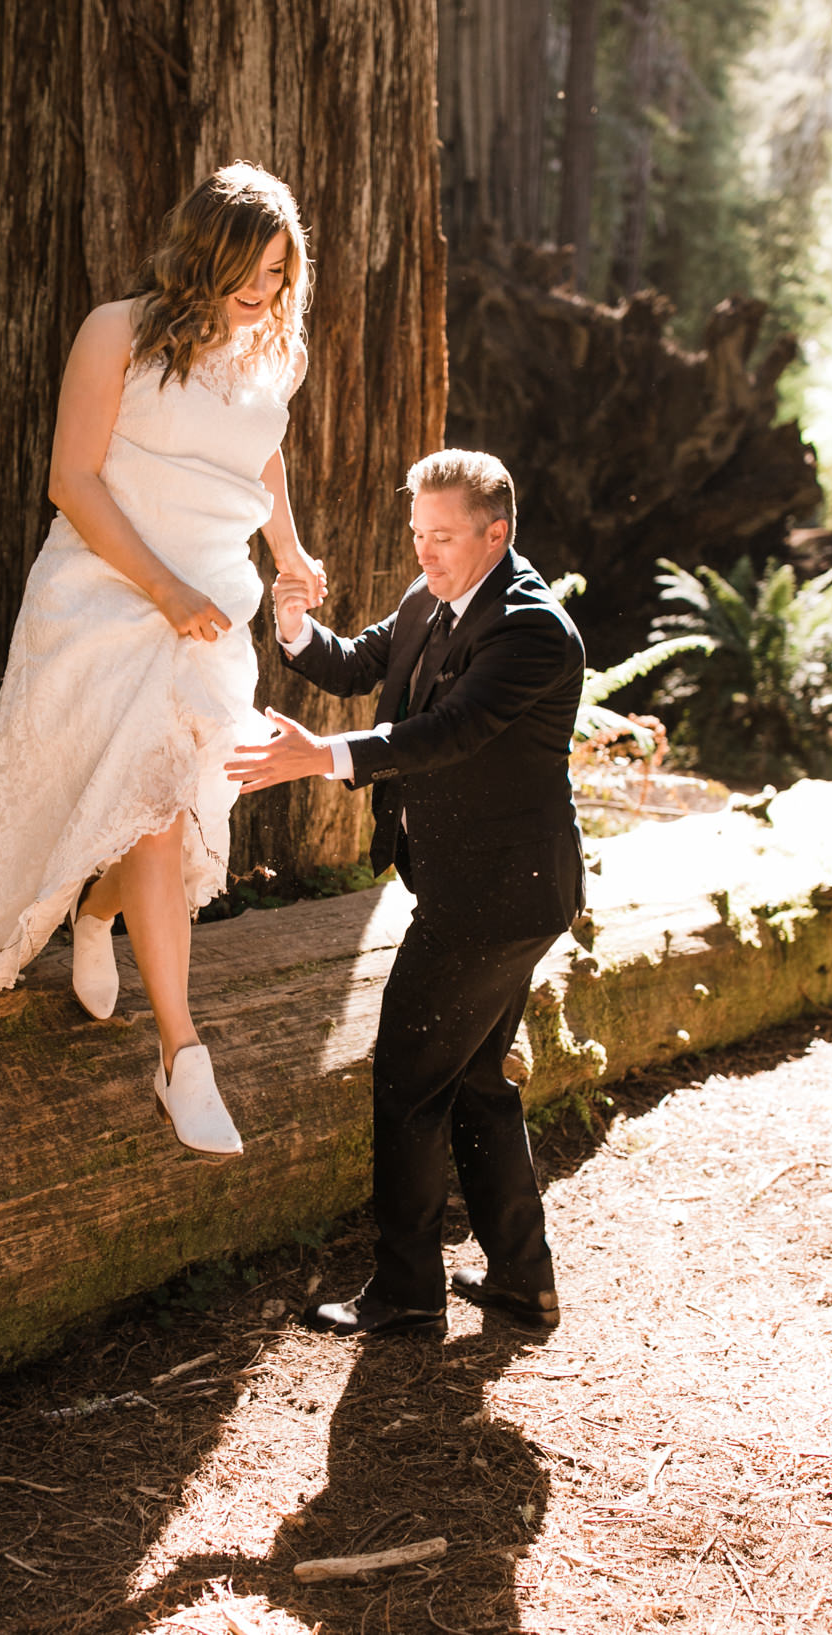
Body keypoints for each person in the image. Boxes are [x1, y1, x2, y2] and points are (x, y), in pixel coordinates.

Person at [0, 163, 328, 1162]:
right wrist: (163, 588)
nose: (262, 290)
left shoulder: (278, 349)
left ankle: (97, 918)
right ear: (202, 250)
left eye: (278, 271)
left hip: (207, 611)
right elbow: (72, 479)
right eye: (248, 267)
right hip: (106, 593)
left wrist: (290, 551)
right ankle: (183, 1054)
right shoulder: (114, 330)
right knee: (146, 804)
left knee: (158, 808)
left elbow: (257, 453)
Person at [226, 449, 583, 1336]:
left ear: (496, 534)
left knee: (409, 1078)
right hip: (475, 887)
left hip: (500, 897)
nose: (423, 553)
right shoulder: (436, 596)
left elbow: (449, 731)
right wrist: (297, 628)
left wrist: (326, 757)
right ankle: (522, 1278)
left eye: (443, 537)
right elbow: (361, 665)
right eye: (417, 533)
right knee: (472, 1080)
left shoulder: (532, 629)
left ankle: (409, 1290)